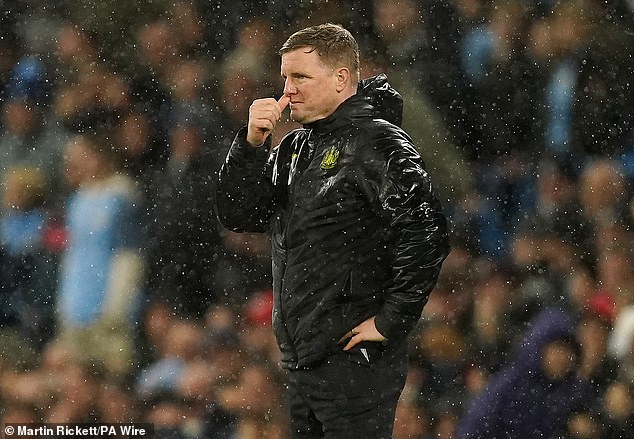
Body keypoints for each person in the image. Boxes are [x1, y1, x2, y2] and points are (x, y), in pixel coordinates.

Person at [215, 23, 450, 439]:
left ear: (342, 79)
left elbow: (426, 230)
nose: (287, 91)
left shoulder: (378, 142)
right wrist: (251, 145)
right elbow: (239, 215)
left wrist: (391, 321)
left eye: (301, 77)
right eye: (285, 77)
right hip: (304, 360)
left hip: (354, 361)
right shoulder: (292, 147)